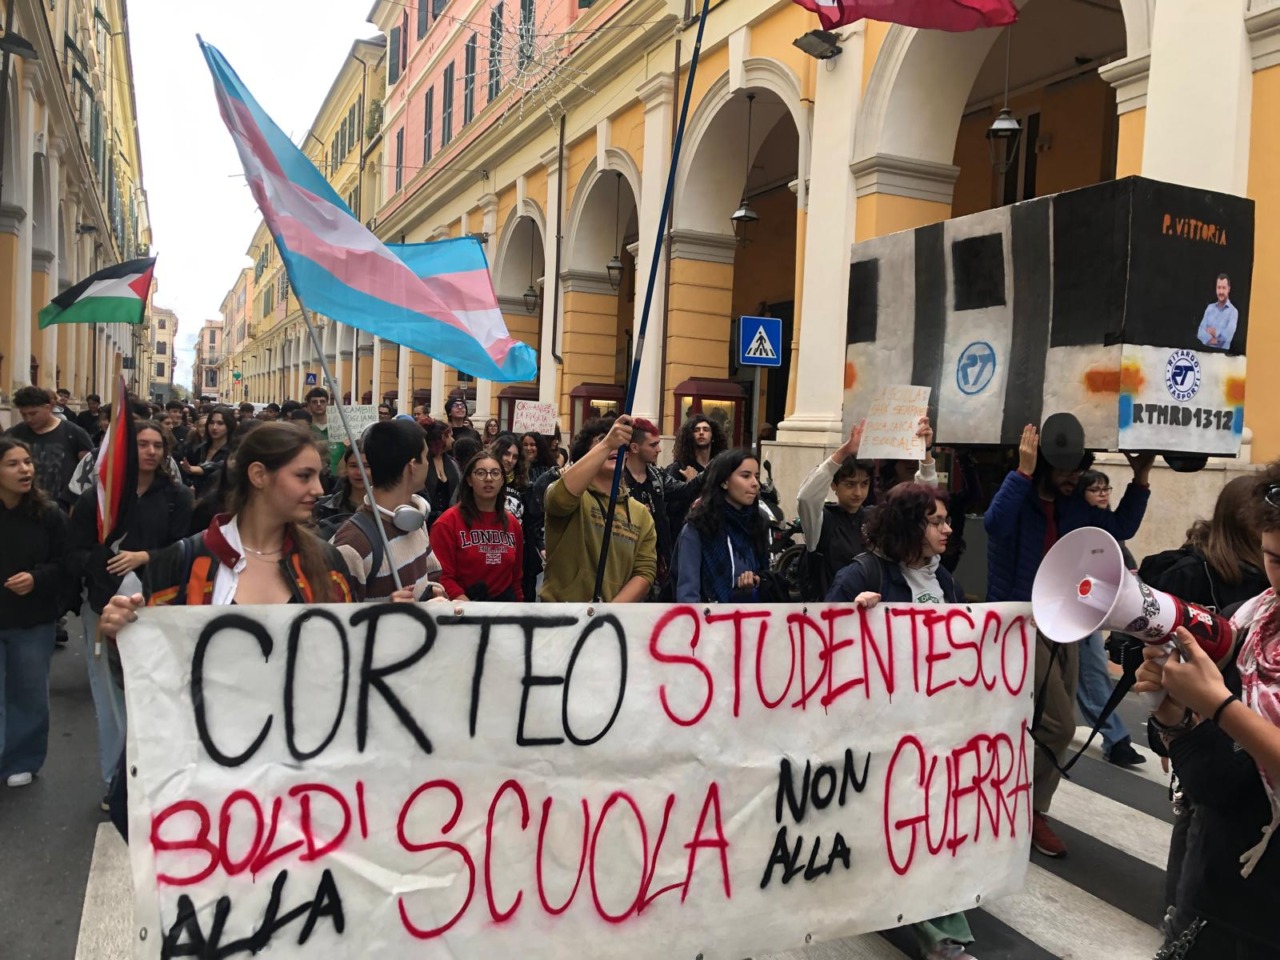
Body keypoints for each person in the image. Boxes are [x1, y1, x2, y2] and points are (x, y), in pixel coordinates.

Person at [984, 423, 1153, 857]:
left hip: (1066, 620)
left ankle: (1030, 809)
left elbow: (1120, 528)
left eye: (1078, 469)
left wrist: (1141, 478)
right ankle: (1022, 808)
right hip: (1019, 619)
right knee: (1059, 723)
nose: (1074, 478)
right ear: (1043, 466)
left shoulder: (1075, 505)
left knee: (1048, 723)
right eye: (1065, 470)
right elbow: (995, 525)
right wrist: (1020, 474)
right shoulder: (1020, 498)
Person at [1131, 464, 1280, 959]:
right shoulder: (1250, 622)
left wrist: (1217, 704)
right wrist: (1176, 715)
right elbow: (1215, 783)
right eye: (1274, 559)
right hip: (1218, 901)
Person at [823, 483, 974, 960]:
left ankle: (941, 932)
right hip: (877, 728)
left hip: (930, 726)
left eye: (946, 520)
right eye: (936, 521)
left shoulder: (942, 580)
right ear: (912, 526)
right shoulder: (862, 574)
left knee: (923, 826)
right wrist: (853, 617)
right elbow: (819, 643)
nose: (948, 529)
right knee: (901, 823)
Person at [98, 423, 355, 619]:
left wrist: (389, 620)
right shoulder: (183, 561)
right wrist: (123, 630)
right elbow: (153, 668)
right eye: (304, 476)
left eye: (318, 477)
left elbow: (346, 653)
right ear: (258, 475)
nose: (319, 489)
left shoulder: (326, 561)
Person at [69, 420, 192, 809]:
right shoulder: (98, 499)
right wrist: (102, 564)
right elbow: (75, 552)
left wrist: (146, 558)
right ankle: (118, 782)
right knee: (111, 699)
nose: (151, 451)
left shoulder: (176, 497)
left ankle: (161, 777)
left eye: (158, 445)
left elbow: (185, 551)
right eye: (142, 444)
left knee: (158, 694)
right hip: (104, 609)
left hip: (159, 609)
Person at [797, 419, 934, 602]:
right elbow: (806, 498)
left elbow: (920, 503)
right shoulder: (821, 523)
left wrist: (925, 453)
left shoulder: (874, 518)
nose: (858, 492)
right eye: (850, 484)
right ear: (834, 485)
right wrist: (844, 452)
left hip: (873, 617)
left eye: (864, 484)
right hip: (831, 619)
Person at [0, 437, 68, 788]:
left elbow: (65, 564)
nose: (25, 469)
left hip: (32, 619)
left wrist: (37, 578)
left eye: (27, 462)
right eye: (13, 464)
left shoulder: (48, 514)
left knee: (28, 691)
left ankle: (21, 759)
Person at [1072, 469, 1146, 767]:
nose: (1102, 493)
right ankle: (1116, 740)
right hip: (1076, 605)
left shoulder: (1107, 527)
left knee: (1089, 673)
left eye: (1106, 488)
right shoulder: (1085, 523)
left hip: (1092, 607)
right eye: (1094, 489)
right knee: (1090, 672)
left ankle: (1115, 739)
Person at [541, 416, 656, 603]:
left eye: (621, 444)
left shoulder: (641, 513)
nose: (615, 447)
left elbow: (645, 571)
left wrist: (607, 613)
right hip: (563, 618)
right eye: (601, 440)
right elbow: (559, 500)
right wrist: (608, 443)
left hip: (611, 623)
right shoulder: (575, 495)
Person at [332, 419, 440, 602]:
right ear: (412, 466)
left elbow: (432, 577)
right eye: (426, 457)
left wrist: (434, 593)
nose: (428, 464)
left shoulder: (414, 520)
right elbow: (331, 622)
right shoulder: (352, 545)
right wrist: (383, 615)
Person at [674, 450, 768, 603]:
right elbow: (688, 594)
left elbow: (765, 574)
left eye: (756, 477)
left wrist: (757, 581)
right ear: (724, 481)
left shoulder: (758, 521)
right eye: (745, 476)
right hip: (708, 621)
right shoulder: (698, 527)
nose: (755, 483)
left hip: (753, 620)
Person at [430, 452, 524, 601]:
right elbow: (442, 577)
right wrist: (471, 610)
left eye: (495, 473)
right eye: (480, 473)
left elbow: (516, 578)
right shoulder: (447, 523)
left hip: (504, 608)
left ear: (502, 481)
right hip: (463, 607)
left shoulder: (513, 524)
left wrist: (518, 612)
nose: (488, 478)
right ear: (469, 480)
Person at [625, 418, 700, 599]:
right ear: (635, 448)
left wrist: (715, 468)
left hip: (659, 562)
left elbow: (685, 491)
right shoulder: (615, 480)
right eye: (653, 445)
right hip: (626, 564)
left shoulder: (657, 476)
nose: (659, 449)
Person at [5, 386, 94, 509]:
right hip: (22, 509)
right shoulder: (14, 435)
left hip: (63, 509)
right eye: (24, 414)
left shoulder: (74, 433)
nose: (28, 419)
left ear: (48, 407)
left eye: (33, 413)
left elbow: (88, 471)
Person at [665, 414, 728, 546]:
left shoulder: (722, 467)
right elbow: (671, 507)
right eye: (696, 430)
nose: (701, 433)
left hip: (716, 531)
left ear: (713, 436)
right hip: (687, 534)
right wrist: (691, 485)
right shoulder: (679, 468)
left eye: (706, 429)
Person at [181, 405, 233, 499]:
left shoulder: (234, 450)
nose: (214, 427)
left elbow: (222, 466)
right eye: (211, 423)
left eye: (220, 423)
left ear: (229, 425)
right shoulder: (199, 448)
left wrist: (199, 469)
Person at [422, 419, 460, 528]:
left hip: (449, 522)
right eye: (450, 436)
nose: (453, 440)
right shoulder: (422, 463)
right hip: (425, 523)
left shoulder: (452, 463)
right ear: (443, 438)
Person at [305, 386, 344, 475]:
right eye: (314, 402)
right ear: (308, 405)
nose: (319, 404)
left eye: (322, 401)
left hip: (338, 478)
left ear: (327, 403)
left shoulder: (340, 427)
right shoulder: (306, 429)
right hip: (314, 475)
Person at [1196, 273, 1238, 350]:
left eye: (1224, 288)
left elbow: (1227, 338)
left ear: (1229, 289)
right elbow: (1200, 333)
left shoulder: (1233, 312)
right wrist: (1217, 339)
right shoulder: (1210, 308)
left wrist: (1213, 331)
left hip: (1222, 357)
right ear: (1216, 289)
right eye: (1219, 288)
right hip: (1206, 354)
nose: (1221, 291)